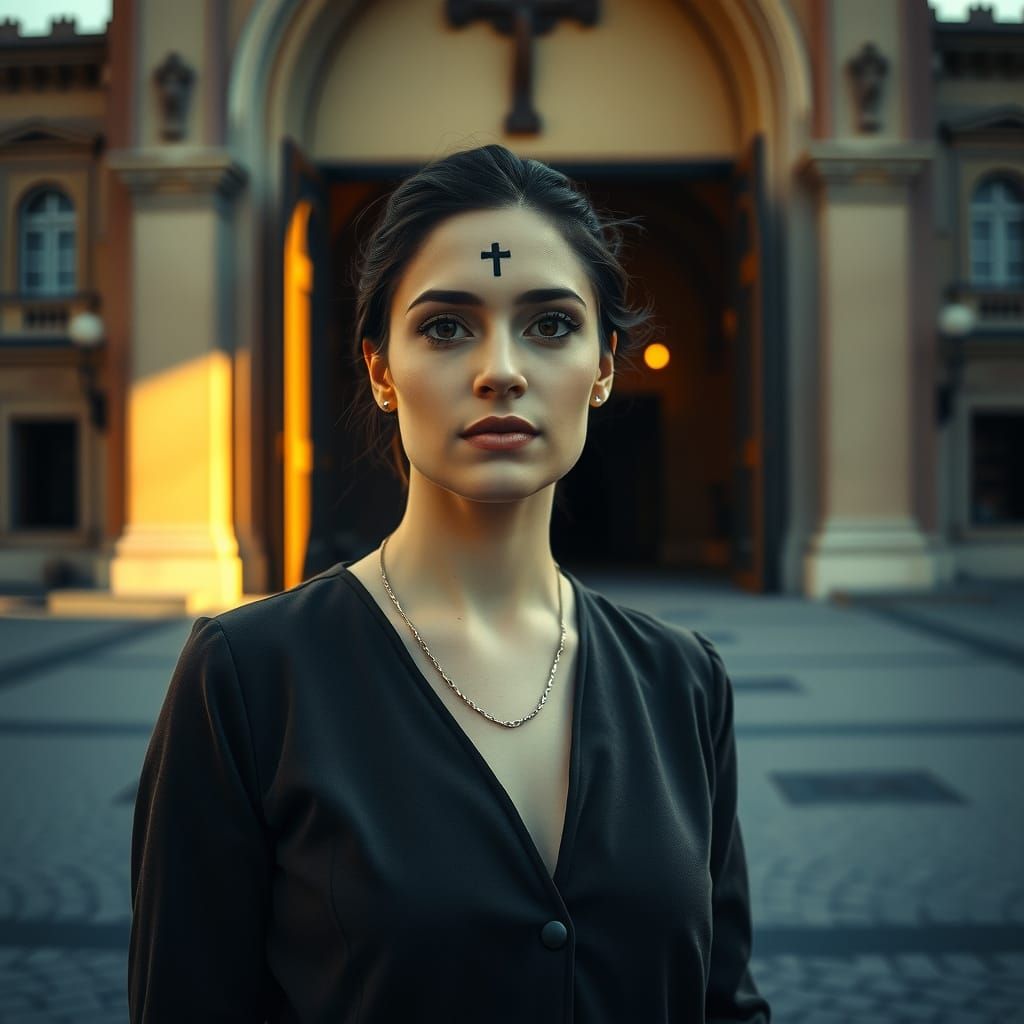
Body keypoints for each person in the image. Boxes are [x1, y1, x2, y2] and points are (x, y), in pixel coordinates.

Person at [128, 143, 771, 1023]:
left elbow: (724, 1004)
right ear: (381, 371)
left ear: (606, 367)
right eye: (445, 326)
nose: (500, 368)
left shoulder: (684, 682)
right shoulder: (247, 675)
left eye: (550, 324)